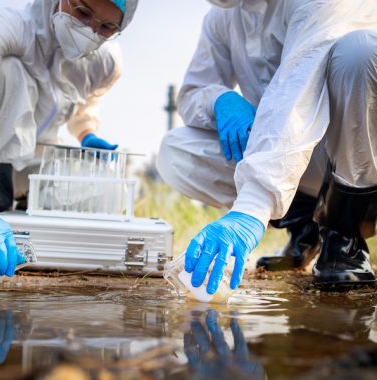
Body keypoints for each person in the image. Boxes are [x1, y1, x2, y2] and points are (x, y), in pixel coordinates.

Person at [157, 0, 377, 292]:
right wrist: (220, 99)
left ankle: (344, 234)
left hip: (356, 150)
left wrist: (252, 207)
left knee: (360, 53)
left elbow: (297, 93)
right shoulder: (223, 16)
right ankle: (304, 227)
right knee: (177, 150)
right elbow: (192, 92)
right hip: (292, 154)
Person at [0, 0, 139, 284]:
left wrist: (86, 133)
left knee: (104, 194)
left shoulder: (105, 60)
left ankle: (23, 223)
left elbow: (87, 98)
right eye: (82, 13)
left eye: (106, 28)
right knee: (11, 71)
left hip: (37, 163)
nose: (90, 31)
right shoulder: (8, 27)